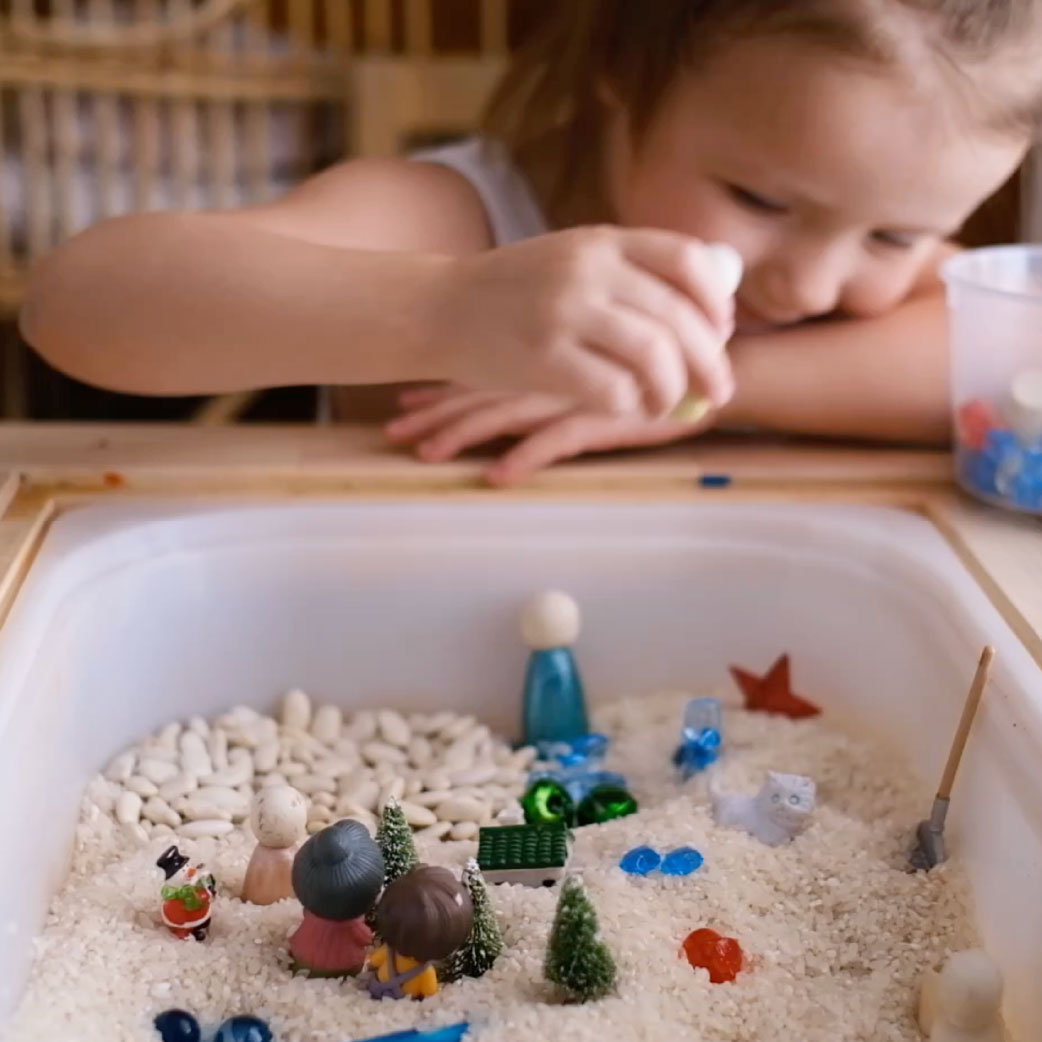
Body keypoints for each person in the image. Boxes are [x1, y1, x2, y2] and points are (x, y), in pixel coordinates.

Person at [20, 2, 1042, 482]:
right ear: (625, 80)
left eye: (897, 233)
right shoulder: (459, 218)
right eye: (759, 198)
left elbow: (1020, 361)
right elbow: (77, 303)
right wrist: (445, 309)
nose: (813, 278)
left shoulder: (864, 293)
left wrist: (708, 389)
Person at [367, 865, 473, 1000]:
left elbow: (374, 961)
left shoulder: (388, 951)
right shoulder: (426, 973)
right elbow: (430, 991)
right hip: (404, 1001)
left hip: (379, 990)